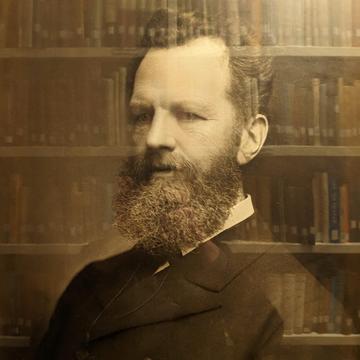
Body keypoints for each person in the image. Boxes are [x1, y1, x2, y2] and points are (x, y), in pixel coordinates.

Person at [36, 9, 336, 360]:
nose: (155, 138)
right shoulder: (90, 284)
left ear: (249, 138)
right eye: (142, 115)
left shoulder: (291, 306)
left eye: (189, 114)